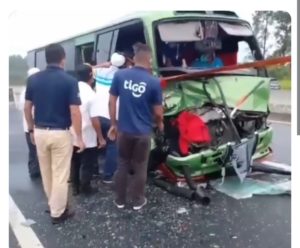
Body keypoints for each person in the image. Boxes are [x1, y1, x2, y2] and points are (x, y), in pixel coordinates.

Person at [24, 43, 85, 224]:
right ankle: (58, 213)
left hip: (40, 131)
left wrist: (31, 129)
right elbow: (75, 111)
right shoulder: (69, 81)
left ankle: (53, 204)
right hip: (60, 133)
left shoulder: (33, 80)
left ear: (46, 59)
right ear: (63, 58)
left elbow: (27, 108)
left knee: (47, 172)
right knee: (60, 174)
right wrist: (79, 137)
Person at [108, 43, 164, 210]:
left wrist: (113, 124)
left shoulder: (120, 76)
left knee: (123, 163)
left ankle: (119, 200)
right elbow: (159, 112)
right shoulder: (154, 82)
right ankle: (138, 201)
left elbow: (111, 101)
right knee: (140, 166)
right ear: (149, 59)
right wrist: (160, 124)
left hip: (124, 131)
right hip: (142, 133)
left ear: (134, 58)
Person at [92, 52, 131, 183]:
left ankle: (93, 171)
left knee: (96, 142)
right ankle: (108, 175)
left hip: (96, 115)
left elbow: (88, 67)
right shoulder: (121, 76)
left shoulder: (100, 71)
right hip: (111, 115)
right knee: (112, 145)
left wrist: (103, 64)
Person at [70, 64, 106, 195]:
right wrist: (101, 137)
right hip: (88, 133)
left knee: (75, 161)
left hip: (73, 131)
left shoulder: (72, 89)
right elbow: (95, 119)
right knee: (87, 162)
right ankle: (86, 187)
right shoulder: (91, 94)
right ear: (91, 76)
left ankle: (75, 187)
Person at [18, 67, 40, 179]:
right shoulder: (32, 91)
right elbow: (30, 109)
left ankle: (33, 170)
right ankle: (36, 170)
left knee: (32, 150)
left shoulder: (24, 91)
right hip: (33, 126)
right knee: (36, 149)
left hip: (27, 126)